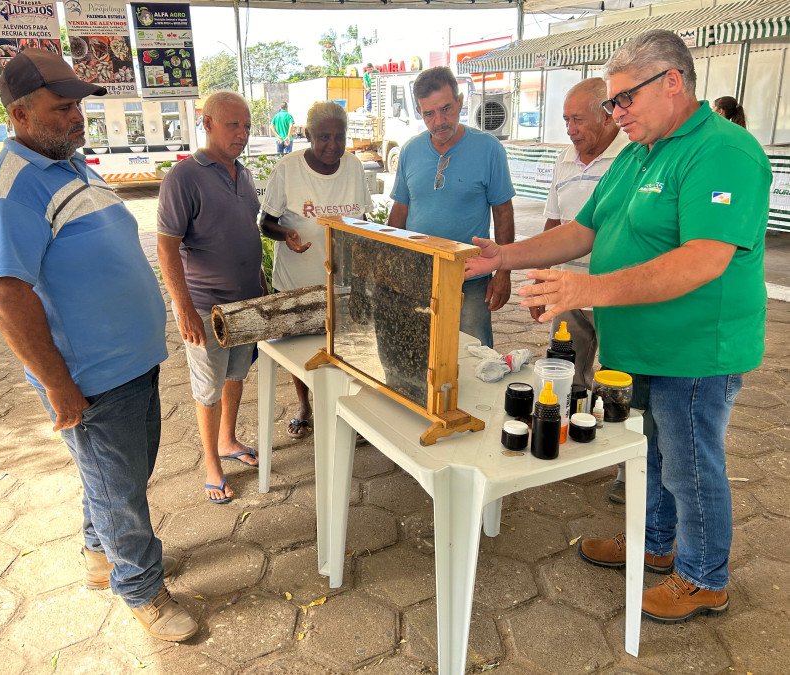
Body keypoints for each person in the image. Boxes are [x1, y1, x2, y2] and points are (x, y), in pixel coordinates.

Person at [465, 30, 770, 624]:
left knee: (690, 462)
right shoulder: (637, 151)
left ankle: (705, 577)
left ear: (673, 82)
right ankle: (655, 545)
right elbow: (585, 231)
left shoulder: (722, 151)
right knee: (651, 451)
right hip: (640, 344)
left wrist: (588, 289)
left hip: (696, 349)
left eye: (623, 99)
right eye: (612, 103)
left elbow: (705, 258)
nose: (616, 114)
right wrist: (507, 255)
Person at [0, 49, 196, 642]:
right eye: (62, 107)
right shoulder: (7, 189)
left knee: (119, 478)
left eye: (79, 106)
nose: (78, 118)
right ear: (19, 114)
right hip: (90, 379)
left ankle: (102, 559)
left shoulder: (71, 165)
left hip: (133, 364)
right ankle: (142, 590)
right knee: (119, 491)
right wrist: (57, 386)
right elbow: (4, 293)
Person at [157, 91, 264, 505]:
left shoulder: (245, 174)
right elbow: (167, 247)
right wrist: (182, 307)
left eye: (247, 126)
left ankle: (228, 440)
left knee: (236, 374)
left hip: (244, 303)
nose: (242, 134)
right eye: (233, 125)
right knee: (207, 387)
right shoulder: (184, 177)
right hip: (205, 306)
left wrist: (258, 285)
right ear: (207, 123)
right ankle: (211, 467)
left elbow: (246, 233)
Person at [538, 77, 630, 505]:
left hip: (614, 291)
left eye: (578, 119)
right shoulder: (564, 159)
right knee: (567, 371)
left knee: (618, 379)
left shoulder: (630, 157)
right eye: (565, 120)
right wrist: (541, 278)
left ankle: (626, 471)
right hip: (566, 288)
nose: (571, 129)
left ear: (607, 114)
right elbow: (554, 224)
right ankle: (569, 442)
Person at [258, 101, 371, 438]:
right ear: (307, 134)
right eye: (323, 137)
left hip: (343, 280)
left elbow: (362, 219)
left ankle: (349, 411)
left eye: (340, 137)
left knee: (347, 348)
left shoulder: (352, 167)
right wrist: (287, 235)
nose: (332, 146)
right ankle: (304, 404)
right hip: (298, 281)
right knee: (299, 352)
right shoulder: (288, 168)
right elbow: (266, 223)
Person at [388, 66, 515, 347]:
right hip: (416, 276)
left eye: (446, 109)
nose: (439, 121)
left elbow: (503, 211)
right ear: (420, 113)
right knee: (415, 352)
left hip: (470, 279)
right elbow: (400, 211)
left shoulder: (488, 148)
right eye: (429, 114)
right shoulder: (410, 151)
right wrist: (387, 263)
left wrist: (504, 271)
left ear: (459, 102)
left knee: (475, 356)